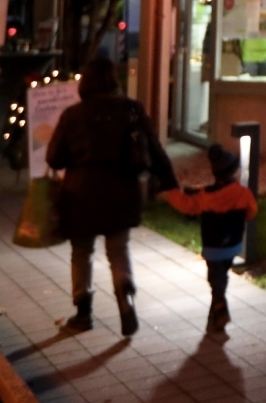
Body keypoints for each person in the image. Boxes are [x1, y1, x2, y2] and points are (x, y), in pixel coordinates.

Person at [46, 55, 176, 335]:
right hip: (122, 190)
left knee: (82, 251)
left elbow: (55, 158)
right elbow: (154, 148)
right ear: (113, 80)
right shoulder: (132, 109)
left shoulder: (72, 115)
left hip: (80, 194)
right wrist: (170, 184)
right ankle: (125, 295)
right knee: (118, 249)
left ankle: (83, 312)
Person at [163, 143, 259, 333]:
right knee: (221, 277)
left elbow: (186, 205)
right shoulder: (243, 194)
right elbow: (251, 212)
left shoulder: (205, 197)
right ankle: (214, 316)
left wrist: (171, 192)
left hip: (213, 247)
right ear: (233, 171)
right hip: (233, 244)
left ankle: (221, 309)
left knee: (215, 279)